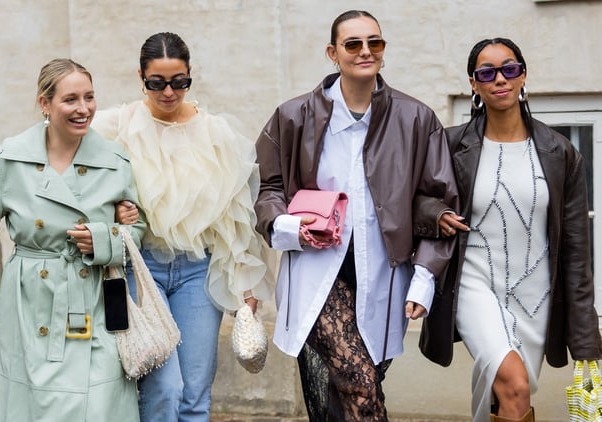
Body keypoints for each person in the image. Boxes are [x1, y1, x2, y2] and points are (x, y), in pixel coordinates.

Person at [253, 10, 458, 421]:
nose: (366, 51)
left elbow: (437, 199)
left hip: (385, 278)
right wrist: (291, 226)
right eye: (353, 44)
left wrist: (424, 280)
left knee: (347, 395)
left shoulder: (416, 119)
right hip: (315, 274)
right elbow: (268, 190)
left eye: (375, 42)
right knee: (361, 390)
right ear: (333, 53)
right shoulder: (293, 117)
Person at [0, 58, 145, 421]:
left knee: (99, 405)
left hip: (96, 299)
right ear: (44, 104)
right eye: (71, 99)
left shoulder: (115, 161)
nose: (83, 109)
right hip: (30, 299)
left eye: (89, 97)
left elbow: (136, 231)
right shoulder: (12, 159)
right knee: (36, 407)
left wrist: (103, 239)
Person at [91, 32, 275, 422]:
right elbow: (73, 174)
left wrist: (245, 283)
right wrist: (109, 213)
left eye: (179, 81)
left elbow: (235, 215)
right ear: (140, 77)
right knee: (163, 388)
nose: (169, 92)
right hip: (140, 270)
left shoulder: (216, 133)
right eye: (157, 82)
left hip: (198, 272)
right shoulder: (114, 127)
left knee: (194, 393)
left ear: (191, 76)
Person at [419, 38, 602, 422]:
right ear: (474, 83)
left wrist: (587, 345)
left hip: (536, 295)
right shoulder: (451, 145)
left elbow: (575, 251)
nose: (500, 79)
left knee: (507, 398)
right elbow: (414, 199)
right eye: (487, 72)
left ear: (523, 76)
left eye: (510, 69)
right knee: (515, 383)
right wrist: (436, 212)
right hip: (474, 281)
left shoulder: (560, 152)